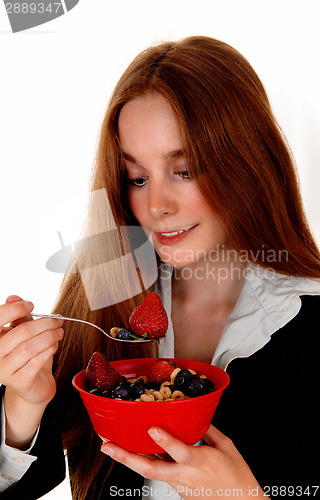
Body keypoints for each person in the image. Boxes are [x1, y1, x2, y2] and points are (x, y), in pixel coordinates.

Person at [1, 35, 320, 500]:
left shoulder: (309, 321)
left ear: (248, 164)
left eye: (185, 170)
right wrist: (22, 407)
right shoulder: (104, 299)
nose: (155, 206)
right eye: (137, 178)